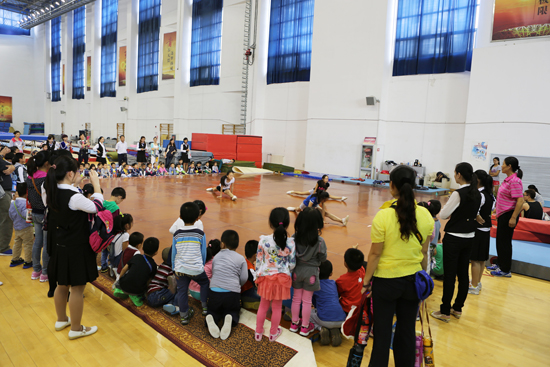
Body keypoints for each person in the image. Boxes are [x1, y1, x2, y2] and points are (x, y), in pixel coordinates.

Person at [363, 165, 433, 367]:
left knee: (382, 335)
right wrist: (423, 277)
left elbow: (375, 253)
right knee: (407, 332)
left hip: (385, 282)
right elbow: (423, 253)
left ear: (391, 185)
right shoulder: (426, 215)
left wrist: (366, 281)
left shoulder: (383, 215)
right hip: (412, 282)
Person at [45, 155, 103, 340]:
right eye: (77, 172)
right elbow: (97, 207)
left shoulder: (51, 191)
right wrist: (96, 184)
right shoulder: (74, 197)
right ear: (70, 174)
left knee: (61, 284)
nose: (79, 174)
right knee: (77, 288)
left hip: (59, 245)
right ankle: (76, 329)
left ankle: (62, 319)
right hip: (76, 247)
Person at [431, 162, 481, 322]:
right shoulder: (478, 194)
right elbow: (475, 214)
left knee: (450, 276)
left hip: (454, 239)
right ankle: (458, 308)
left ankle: (445, 310)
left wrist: (454, 214)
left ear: (459, 174)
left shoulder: (458, 193)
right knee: (463, 274)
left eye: (455, 172)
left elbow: (444, 215)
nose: (454, 175)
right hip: (470, 237)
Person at [255, 207, 296, 342]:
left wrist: (258, 274)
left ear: (271, 223)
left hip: (266, 278)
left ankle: (258, 332)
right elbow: (292, 264)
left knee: (263, 305)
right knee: (277, 307)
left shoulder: (263, 240)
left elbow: (259, 261)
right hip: (282, 279)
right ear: (287, 223)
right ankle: (273, 334)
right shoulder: (291, 243)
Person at [290, 207, 328, 337]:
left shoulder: (294, 238)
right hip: (311, 273)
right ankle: (305, 327)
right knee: (307, 301)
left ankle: (294, 324)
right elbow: (323, 258)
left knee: (296, 298)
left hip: (297, 271)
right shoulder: (319, 241)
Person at [205, 230, 248, 340]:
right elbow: (244, 278)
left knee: (213, 310)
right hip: (232, 294)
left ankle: (210, 316)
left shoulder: (217, 256)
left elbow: (215, 273)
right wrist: (236, 285)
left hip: (214, 293)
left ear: (222, 244)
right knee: (233, 310)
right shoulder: (241, 259)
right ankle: (230, 317)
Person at [172, 202, 209, 325]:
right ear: (197, 218)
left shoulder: (176, 234)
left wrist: (174, 266)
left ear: (180, 217)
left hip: (180, 269)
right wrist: (201, 265)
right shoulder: (200, 234)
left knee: (182, 291)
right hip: (196, 269)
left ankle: (184, 316)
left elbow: (174, 252)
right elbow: (203, 253)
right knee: (204, 283)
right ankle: (204, 307)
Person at [488, 157, 524, 278]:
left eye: (503, 164)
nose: (501, 166)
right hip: (503, 215)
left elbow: (520, 201)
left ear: (509, 166)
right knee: (500, 241)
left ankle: (505, 269)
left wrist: (513, 218)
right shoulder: (507, 180)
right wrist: (497, 211)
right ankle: (500, 264)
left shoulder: (515, 181)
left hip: (509, 215)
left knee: (505, 243)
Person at [26, 150, 51, 282]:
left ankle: (36, 270)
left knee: (37, 242)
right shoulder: (46, 178)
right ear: (47, 163)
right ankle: (45, 273)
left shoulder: (30, 176)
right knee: (46, 244)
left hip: (34, 212)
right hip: (45, 215)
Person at [469, 170, 495, 295]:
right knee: (481, 258)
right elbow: (492, 209)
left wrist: (477, 215)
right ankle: (477, 282)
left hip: (479, 229)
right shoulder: (490, 194)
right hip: (486, 228)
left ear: (477, 180)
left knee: (475, 259)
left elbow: (475, 210)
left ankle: (474, 286)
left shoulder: (481, 195)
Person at [114, 237, 159, 307]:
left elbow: (124, 269)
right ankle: (136, 296)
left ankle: (119, 289)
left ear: (143, 248)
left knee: (127, 277)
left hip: (123, 284)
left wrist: (119, 281)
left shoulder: (136, 256)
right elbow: (149, 281)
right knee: (141, 288)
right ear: (156, 252)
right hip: (137, 289)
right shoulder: (153, 265)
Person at [313, 260, 347, 347]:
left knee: (308, 314)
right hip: (342, 319)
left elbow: (314, 303)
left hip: (325, 319)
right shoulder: (333, 283)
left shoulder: (315, 285)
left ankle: (321, 328)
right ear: (331, 273)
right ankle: (334, 330)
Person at [8, 183, 34, 269]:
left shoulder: (13, 203)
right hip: (27, 227)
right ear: (27, 193)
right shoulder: (26, 204)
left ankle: (15, 259)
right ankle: (28, 261)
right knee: (28, 244)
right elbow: (28, 216)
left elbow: (10, 214)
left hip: (17, 227)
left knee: (17, 243)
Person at [336, 248, 365, 314]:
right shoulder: (362, 270)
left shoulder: (341, 280)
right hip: (360, 307)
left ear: (345, 264)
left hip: (346, 309)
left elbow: (337, 294)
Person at [0, 144, 15, 256]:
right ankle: (3, 247)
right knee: (6, 219)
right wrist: (12, 167)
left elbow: (10, 167)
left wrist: (12, 167)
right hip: (3, 192)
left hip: (4, 191)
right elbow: (7, 169)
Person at [241, 240, 261, 309]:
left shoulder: (245, 261)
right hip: (247, 292)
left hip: (245, 290)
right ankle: (248, 302)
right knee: (265, 297)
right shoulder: (250, 268)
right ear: (255, 255)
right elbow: (257, 283)